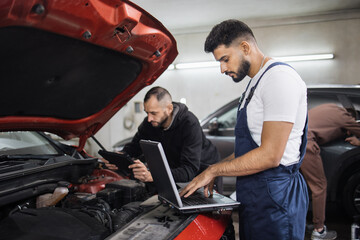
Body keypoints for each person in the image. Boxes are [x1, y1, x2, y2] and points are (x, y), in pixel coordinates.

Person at [180, 19, 309, 240]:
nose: (222, 68)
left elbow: (270, 155)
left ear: (245, 48)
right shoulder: (254, 84)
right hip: (256, 196)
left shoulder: (279, 79)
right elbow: (249, 150)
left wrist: (214, 171)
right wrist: (213, 167)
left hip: (276, 199)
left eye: (225, 59)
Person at [119, 86, 221, 187]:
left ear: (169, 109)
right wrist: (119, 157)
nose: (149, 118)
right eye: (147, 113)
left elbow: (189, 170)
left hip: (204, 172)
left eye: (154, 113)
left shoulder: (189, 123)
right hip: (176, 172)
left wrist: (153, 176)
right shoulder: (149, 123)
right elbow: (134, 147)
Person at [301, 103, 360, 240]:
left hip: (291, 142)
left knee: (300, 186)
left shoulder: (330, 107)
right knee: (319, 186)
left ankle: (300, 223)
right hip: (306, 143)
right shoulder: (344, 117)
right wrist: (358, 142)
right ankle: (319, 231)